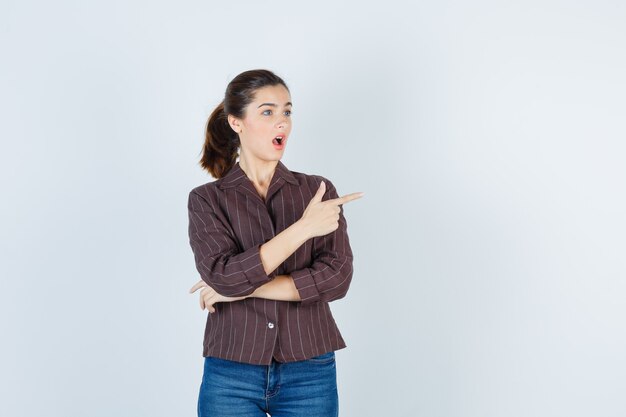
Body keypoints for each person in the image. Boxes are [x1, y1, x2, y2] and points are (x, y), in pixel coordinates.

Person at [187, 69, 363, 417]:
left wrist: (242, 288)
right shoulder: (207, 199)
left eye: (287, 111)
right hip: (231, 369)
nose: (281, 121)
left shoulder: (318, 190)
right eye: (267, 111)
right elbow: (222, 276)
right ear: (237, 122)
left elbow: (337, 279)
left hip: (309, 367)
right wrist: (304, 229)